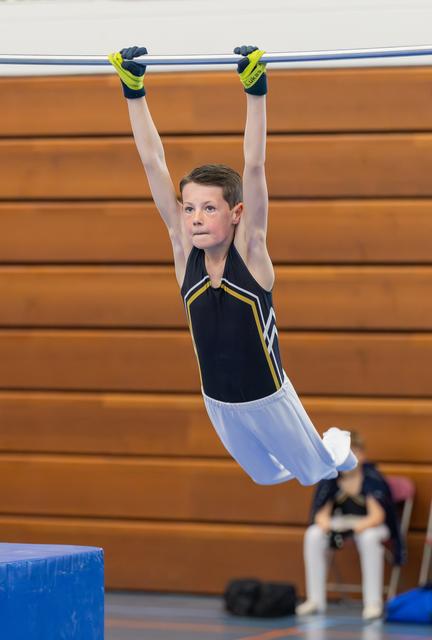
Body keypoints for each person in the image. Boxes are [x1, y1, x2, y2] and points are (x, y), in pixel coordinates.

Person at [108, 45, 358, 486]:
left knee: (316, 470)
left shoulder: (253, 256)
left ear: (237, 214)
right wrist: (134, 93)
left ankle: (336, 444)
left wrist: (255, 92)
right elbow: (153, 162)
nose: (195, 219)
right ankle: (319, 453)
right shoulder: (185, 254)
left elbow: (255, 166)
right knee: (264, 477)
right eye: (188, 209)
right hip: (218, 403)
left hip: (270, 401)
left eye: (209, 209)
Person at [296, 431, 404, 620]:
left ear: (361, 455)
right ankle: (315, 599)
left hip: (371, 525)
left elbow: (377, 516)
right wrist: (327, 525)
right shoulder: (331, 479)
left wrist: (354, 529)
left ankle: (373, 603)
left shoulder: (371, 478)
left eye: (352, 453)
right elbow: (320, 514)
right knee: (313, 534)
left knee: (369, 538)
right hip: (344, 522)